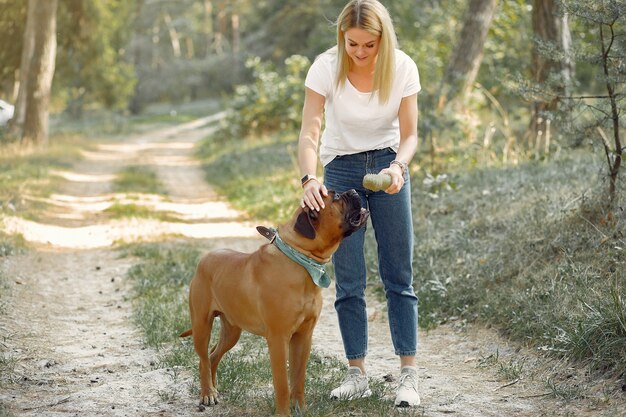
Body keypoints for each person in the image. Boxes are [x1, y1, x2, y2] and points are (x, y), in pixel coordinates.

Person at [297, 0, 421, 409]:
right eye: (353, 44)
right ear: (342, 38)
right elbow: (310, 131)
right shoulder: (325, 66)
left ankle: (408, 376)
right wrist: (309, 177)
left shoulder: (402, 67)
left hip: (388, 169)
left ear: (383, 38)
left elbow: (410, 134)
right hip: (341, 172)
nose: (361, 53)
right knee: (349, 281)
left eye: (370, 45)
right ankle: (357, 374)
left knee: (398, 275)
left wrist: (400, 168)